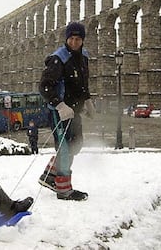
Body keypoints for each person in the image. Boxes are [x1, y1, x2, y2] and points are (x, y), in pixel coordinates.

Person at [38, 22, 95, 201]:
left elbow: (82, 82)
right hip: (59, 111)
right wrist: (60, 105)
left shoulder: (84, 56)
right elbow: (44, 86)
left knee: (76, 144)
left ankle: (49, 176)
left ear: (83, 40)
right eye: (71, 38)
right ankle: (64, 189)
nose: (74, 42)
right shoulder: (58, 58)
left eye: (78, 39)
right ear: (66, 39)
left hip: (74, 111)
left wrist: (87, 101)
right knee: (64, 148)